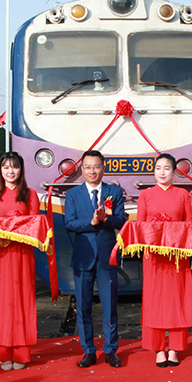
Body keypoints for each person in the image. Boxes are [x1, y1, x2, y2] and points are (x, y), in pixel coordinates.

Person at [63, 150, 127, 368]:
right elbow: (69, 224)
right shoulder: (73, 195)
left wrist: (105, 219)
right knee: (83, 306)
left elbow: (120, 221)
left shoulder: (114, 192)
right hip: (83, 257)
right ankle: (88, 350)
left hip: (107, 256)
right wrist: (90, 222)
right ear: (82, 169)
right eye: (88, 167)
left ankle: (110, 350)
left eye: (96, 166)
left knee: (110, 305)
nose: (92, 171)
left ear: (103, 168)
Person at [136, 153, 192, 367]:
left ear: (174, 172)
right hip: (153, 257)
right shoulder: (145, 195)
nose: (162, 172)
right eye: (158, 168)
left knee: (176, 300)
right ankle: (158, 348)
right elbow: (141, 226)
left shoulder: (183, 195)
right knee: (155, 300)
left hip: (177, 258)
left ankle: (174, 348)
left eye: (167, 168)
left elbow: (189, 226)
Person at [0, 152, 40, 371]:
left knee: (22, 300)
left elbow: (35, 225)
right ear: (0, 170)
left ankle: (21, 352)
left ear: (21, 169)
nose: (10, 171)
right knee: (1, 302)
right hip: (0, 254)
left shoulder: (30, 195)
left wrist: (13, 226)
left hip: (23, 255)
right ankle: (3, 352)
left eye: (15, 167)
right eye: (6, 167)